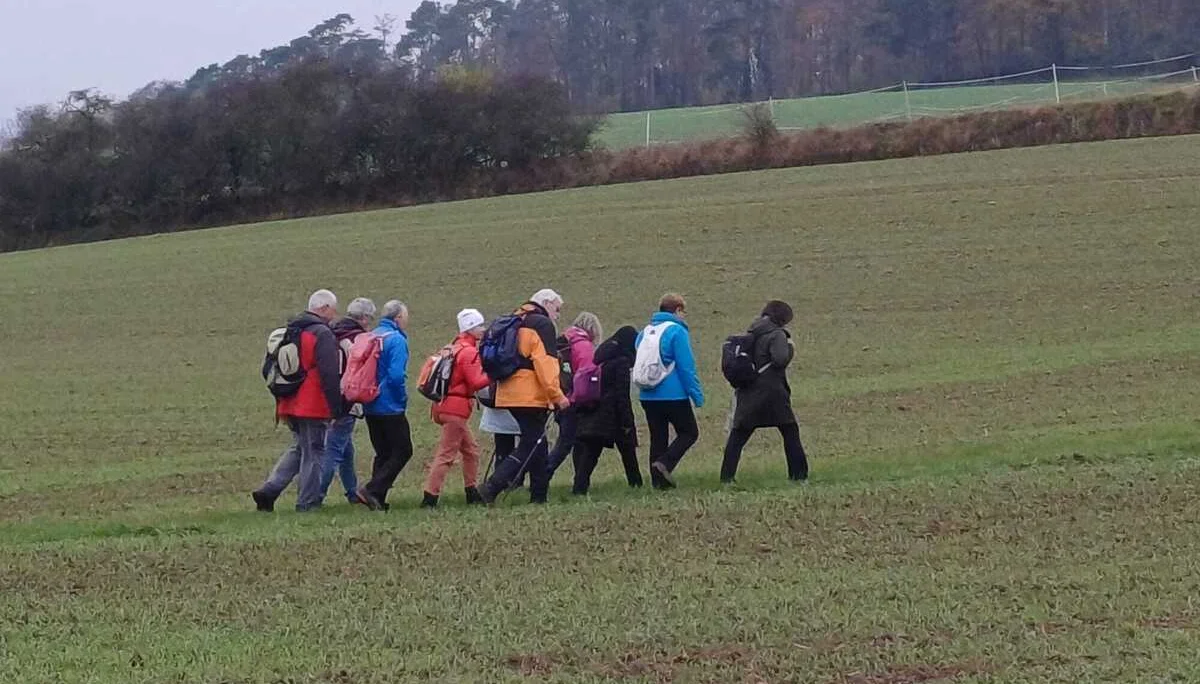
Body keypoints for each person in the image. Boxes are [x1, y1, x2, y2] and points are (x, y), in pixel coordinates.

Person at [253, 289, 342, 512]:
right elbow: (329, 373)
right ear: (323, 309)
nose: (334, 315)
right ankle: (307, 503)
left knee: (300, 448)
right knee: (314, 452)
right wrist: (336, 407)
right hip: (312, 405)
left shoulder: (292, 330)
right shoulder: (321, 334)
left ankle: (269, 491)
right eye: (332, 310)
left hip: (288, 401)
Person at [478, 289, 570, 504]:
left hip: (507, 391)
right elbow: (545, 364)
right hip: (529, 395)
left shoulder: (515, 319)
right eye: (557, 309)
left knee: (538, 443)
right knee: (530, 443)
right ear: (546, 303)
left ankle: (539, 496)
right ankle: (491, 487)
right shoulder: (541, 324)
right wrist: (557, 396)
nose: (557, 315)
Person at [720, 301, 810, 484]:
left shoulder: (751, 332)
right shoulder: (776, 334)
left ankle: (726, 477)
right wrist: (790, 347)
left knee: (738, 435)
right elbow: (780, 359)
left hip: (748, 391)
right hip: (772, 393)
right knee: (790, 430)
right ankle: (799, 475)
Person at [421, 309, 492, 508]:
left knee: (471, 451)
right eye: (479, 326)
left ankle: (472, 491)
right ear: (470, 329)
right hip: (456, 410)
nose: (483, 329)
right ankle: (430, 497)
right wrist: (495, 373)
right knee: (446, 454)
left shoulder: (453, 347)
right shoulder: (469, 351)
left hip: (443, 406)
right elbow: (476, 382)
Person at [636, 293, 704, 489]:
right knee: (689, 432)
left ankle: (658, 483)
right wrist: (696, 395)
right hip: (673, 394)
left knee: (658, 437)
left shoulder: (645, 332)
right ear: (678, 310)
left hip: (648, 395)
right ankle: (664, 464)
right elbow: (686, 366)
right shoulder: (677, 332)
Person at [318, 297, 377, 505]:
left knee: (346, 449)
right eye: (369, 319)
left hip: (329, 397)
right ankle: (315, 497)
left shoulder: (332, 332)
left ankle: (352, 491)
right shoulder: (357, 339)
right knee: (333, 449)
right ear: (363, 318)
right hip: (347, 400)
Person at [571, 326, 643, 495]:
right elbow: (622, 395)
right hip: (613, 415)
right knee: (628, 451)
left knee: (591, 453)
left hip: (595, 411)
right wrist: (627, 421)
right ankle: (636, 484)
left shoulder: (602, 358)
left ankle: (579, 488)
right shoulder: (622, 362)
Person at [355, 300, 412, 511]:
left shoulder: (373, 335)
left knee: (383, 452)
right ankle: (372, 489)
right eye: (405, 316)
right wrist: (401, 398)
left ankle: (376, 498)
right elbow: (396, 376)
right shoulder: (396, 340)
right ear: (398, 318)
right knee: (403, 450)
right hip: (389, 404)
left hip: (369, 402)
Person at [546, 312, 603, 479]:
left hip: (558, 397)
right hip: (573, 402)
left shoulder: (564, 341)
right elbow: (586, 375)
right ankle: (544, 474)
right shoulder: (584, 346)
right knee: (566, 443)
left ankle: (579, 479)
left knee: (572, 440)